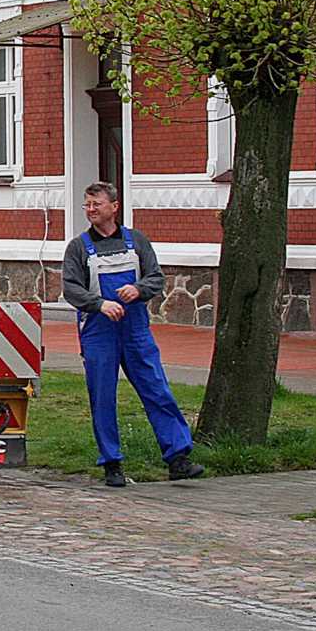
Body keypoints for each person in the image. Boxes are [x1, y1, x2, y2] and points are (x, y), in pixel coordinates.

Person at [61, 181, 205, 487]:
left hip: (135, 330)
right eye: (87, 205)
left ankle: (178, 457)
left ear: (114, 207)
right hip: (99, 332)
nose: (90, 210)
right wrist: (99, 304)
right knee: (103, 397)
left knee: (157, 389)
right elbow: (71, 288)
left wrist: (138, 289)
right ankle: (111, 463)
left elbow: (156, 278)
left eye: (96, 204)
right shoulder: (78, 248)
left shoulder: (136, 241)